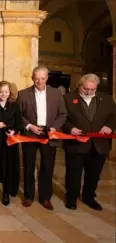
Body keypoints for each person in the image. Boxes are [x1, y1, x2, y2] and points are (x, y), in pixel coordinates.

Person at [17, 65, 67, 210]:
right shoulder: (23, 94)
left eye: (42, 78)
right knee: (28, 166)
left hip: (49, 134)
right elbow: (17, 115)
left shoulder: (56, 94)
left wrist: (54, 128)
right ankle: (28, 196)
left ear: (47, 78)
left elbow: (62, 114)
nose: (39, 81)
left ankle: (45, 198)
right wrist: (29, 126)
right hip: (29, 134)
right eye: (37, 78)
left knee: (47, 167)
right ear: (32, 78)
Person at [62, 73, 116, 210]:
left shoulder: (107, 99)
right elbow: (62, 118)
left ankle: (89, 197)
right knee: (73, 173)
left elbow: (113, 117)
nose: (89, 92)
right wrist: (70, 128)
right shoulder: (67, 99)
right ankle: (71, 198)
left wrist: (109, 127)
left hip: (99, 145)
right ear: (80, 85)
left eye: (93, 89)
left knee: (93, 174)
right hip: (76, 143)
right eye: (86, 89)